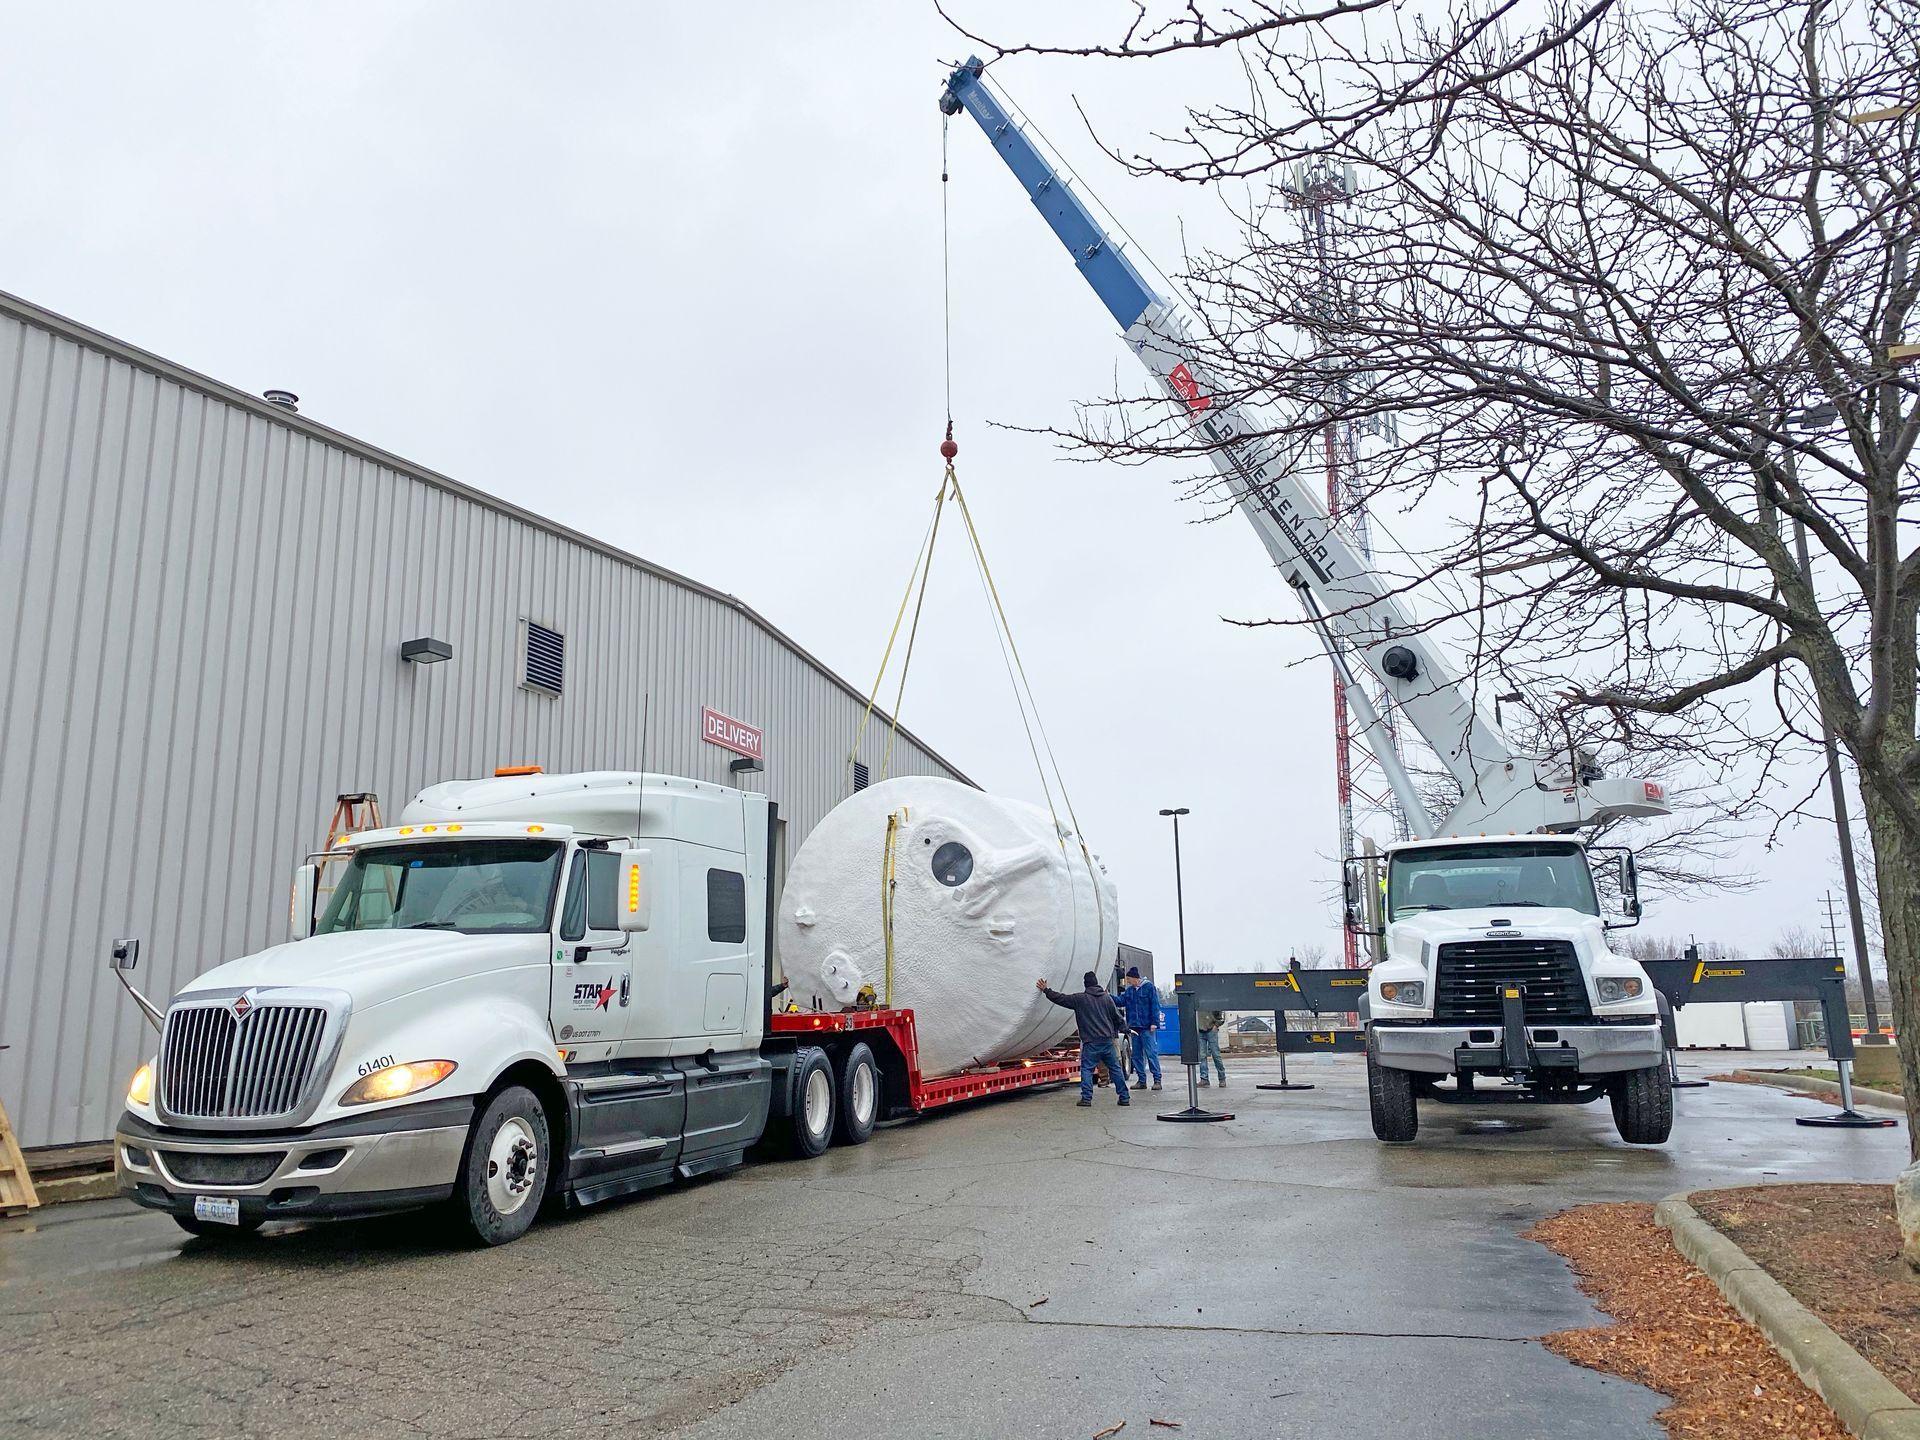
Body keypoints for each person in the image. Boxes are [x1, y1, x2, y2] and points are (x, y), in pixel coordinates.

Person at [1036, 972, 1131, 1107]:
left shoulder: (1080, 999)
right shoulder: (1106, 998)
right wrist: (1126, 1029)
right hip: (1107, 1041)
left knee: (1087, 1070)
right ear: (1097, 983)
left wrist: (1046, 990)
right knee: (1115, 1069)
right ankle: (1124, 1097)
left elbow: (1060, 998)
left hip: (1091, 1043)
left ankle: (1086, 1099)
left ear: (1085, 984)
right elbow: (1117, 1018)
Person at [1120, 966, 1163, 1091]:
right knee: (1136, 1055)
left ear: (1134, 978)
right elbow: (1120, 1001)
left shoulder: (1149, 988)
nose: (1127, 982)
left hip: (1146, 1027)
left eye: (1128, 979)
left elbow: (1155, 1005)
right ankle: (1141, 1080)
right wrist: (1107, 997)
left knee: (1151, 1053)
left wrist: (1154, 1022)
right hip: (1134, 1027)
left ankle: (1157, 1079)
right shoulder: (1129, 991)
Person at [1196, 1008, 1227, 1087]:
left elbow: (1221, 1014)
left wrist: (1216, 1025)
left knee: (1216, 1055)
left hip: (1211, 1030)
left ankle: (1222, 1078)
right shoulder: (1196, 1000)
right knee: (1202, 1056)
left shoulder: (1211, 999)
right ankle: (1204, 1079)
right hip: (1200, 1030)